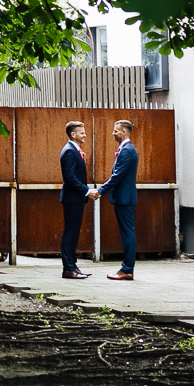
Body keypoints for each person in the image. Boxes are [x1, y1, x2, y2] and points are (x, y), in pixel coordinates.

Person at [89, 119, 138, 281]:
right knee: (127, 233)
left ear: (124, 132)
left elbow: (117, 175)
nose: (113, 133)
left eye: (116, 130)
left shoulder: (127, 150)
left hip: (124, 198)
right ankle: (126, 268)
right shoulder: (125, 149)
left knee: (127, 233)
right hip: (123, 197)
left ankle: (127, 269)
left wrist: (101, 191)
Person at [59, 120, 91, 279]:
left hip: (75, 198)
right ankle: (68, 268)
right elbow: (70, 177)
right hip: (72, 198)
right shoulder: (70, 151)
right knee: (70, 232)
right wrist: (87, 191)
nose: (85, 135)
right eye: (82, 132)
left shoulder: (73, 149)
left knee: (73, 232)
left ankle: (73, 266)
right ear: (73, 134)